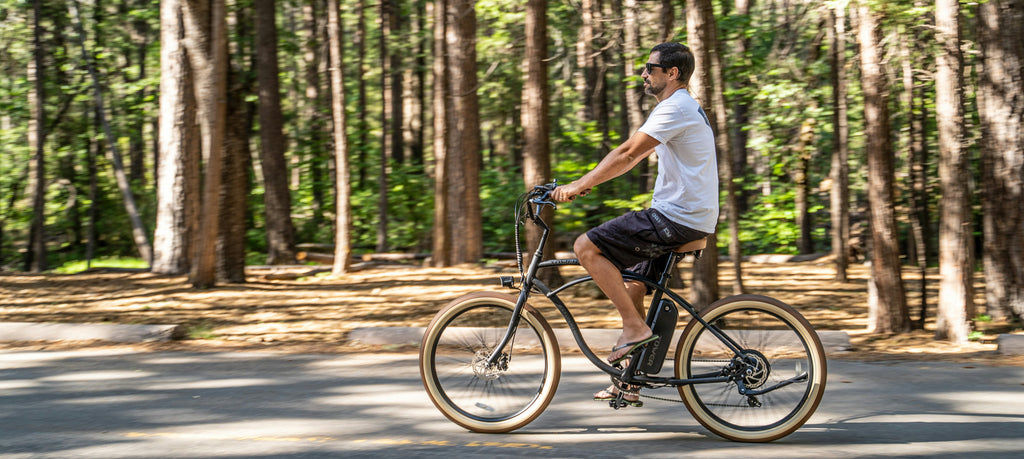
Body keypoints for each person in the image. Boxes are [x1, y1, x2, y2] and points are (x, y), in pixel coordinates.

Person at [551, 43, 719, 405]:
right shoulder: (681, 108)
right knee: (633, 286)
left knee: (585, 247)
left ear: (672, 73)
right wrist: (590, 182)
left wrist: (579, 185)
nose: (644, 74)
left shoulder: (676, 106)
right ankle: (629, 380)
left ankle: (634, 327)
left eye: (650, 68)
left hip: (677, 217)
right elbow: (637, 154)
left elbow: (628, 152)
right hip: (686, 215)